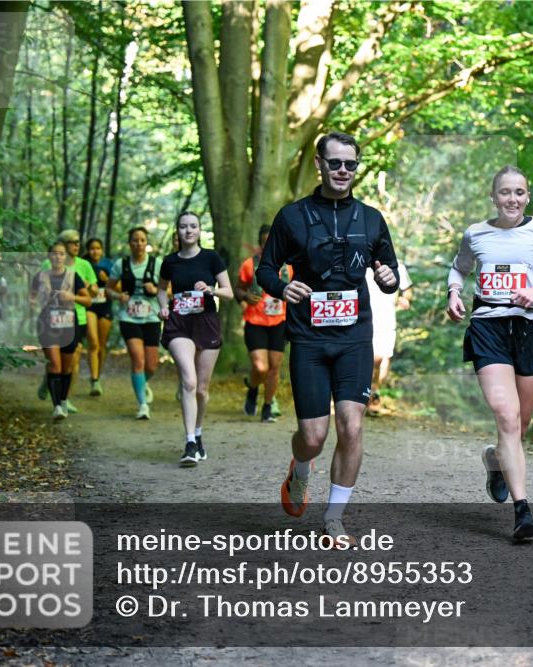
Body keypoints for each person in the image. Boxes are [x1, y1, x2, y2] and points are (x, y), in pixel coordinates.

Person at [257, 131, 400, 544]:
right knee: (314, 437)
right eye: (334, 163)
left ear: (357, 167)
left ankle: (334, 518)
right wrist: (283, 288)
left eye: (350, 164)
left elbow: (388, 273)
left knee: (352, 427)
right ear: (319, 164)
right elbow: (267, 269)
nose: (342, 171)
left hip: (355, 336)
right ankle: (300, 469)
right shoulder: (292, 216)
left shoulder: (371, 218)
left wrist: (387, 278)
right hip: (308, 339)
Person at [446, 165, 533, 540]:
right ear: (493, 196)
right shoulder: (476, 234)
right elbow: (458, 270)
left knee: (518, 427)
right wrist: (454, 293)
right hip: (488, 328)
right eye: (505, 192)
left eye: (519, 192)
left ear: (527, 197)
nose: (512, 199)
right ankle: (523, 512)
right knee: (506, 416)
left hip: (530, 329)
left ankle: (494, 459)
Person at [157, 211, 232, 467]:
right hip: (179, 324)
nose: (188, 231)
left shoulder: (211, 258)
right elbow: (160, 289)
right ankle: (189, 442)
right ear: (177, 231)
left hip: (206, 323)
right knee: (188, 382)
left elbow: (229, 292)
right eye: (183, 227)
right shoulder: (169, 261)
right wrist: (164, 307)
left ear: (199, 230)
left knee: (201, 388)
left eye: (193, 226)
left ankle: (198, 433)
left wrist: (211, 289)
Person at [37, 229, 98, 413]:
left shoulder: (82, 267)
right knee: (56, 363)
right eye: (72, 242)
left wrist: (75, 294)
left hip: (74, 319)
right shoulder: (45, 269)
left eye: (78, 241)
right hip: (49, 322)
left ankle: (64, 398)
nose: (77, 245)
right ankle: (58, 404)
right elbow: (33, 296)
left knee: (70, 362)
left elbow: (91, 295)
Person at [235, 224, 290, 423]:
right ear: (260, 242)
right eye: (265, 241)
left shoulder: (289, 266)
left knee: (274, 367)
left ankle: (267, 407)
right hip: (255, 320)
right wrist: (244, 296)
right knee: (260, 368)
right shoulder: (250, 264)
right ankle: (252, 389)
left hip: (280, 321)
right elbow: (238, 289)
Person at [106, 227, 163, 420]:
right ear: (129, 243)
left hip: (152, 318)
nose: (139, 244)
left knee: (152, 365)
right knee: (138, 360)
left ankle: (141, 383)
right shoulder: (120, 265)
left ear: (147, 243)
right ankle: (143, 405)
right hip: (128, 317)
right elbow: (108, 290)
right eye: (135, 240)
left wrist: (155, 289)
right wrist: (117, 296)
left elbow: (169, 290)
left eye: (142, 240)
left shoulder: (157, 264)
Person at [365, 263, 413, 416]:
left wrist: (404, 299)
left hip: (387, 317)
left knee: (385, 357)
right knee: (372, 359)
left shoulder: (397, 265)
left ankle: (375, 392)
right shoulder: (362, 261)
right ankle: (368, 394)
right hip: (366, 318)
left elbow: (407, 290)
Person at [84, 238, 114, 396]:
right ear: (88, 250)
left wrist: (106, 280)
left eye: (98, 248)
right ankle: (94, 379)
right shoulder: (83, 264)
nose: (95, 251)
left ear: (102, 250)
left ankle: (98, 376)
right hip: (89, 306)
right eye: (92, 248)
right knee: (93, 342)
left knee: (102, 345)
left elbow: (120, 287)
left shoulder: (109, 264)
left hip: (105, 306)